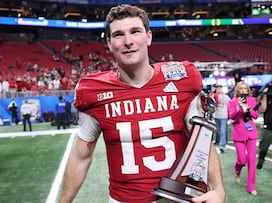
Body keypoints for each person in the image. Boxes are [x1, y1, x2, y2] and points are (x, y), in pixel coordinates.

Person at [59, 4, 225, 203]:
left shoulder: (182, 79)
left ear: (149, 37)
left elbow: (202, 140)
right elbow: (81, 157)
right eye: (119, 35)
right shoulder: (94, 92)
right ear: (110, 43)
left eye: (135, 32)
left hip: (178, 198)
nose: (128, 41)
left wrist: (218, 189)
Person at [228, 81, 258, 196]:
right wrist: (239, 107)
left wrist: (249, 109)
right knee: (242, 159)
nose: (244, 90)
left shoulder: (252, 100)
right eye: (241, 88)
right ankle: (237, 170)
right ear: (237, 90)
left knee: (251, 160)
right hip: (238, 132)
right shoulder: (232, 101)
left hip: (251, 133)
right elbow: (232, 116)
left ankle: (251, 186)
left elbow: (255, 115)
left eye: (245, 89)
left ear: (248, 90)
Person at [257, 82, 272, 169]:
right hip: (269, 126)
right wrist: (265, 95)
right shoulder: (268, 95)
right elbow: (262, 109)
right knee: (263, 148)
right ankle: (261, 161)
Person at [213, 85, 231, 153]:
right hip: (216, 115)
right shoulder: (214, 96)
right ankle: (220, 141)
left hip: (224, 116)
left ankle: (222, 145)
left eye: (220, 88)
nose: (219, 89)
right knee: (219, 131)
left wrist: (229, 114)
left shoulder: (226, 97)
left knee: (223, 131)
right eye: (218, 88)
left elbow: (229, 106)